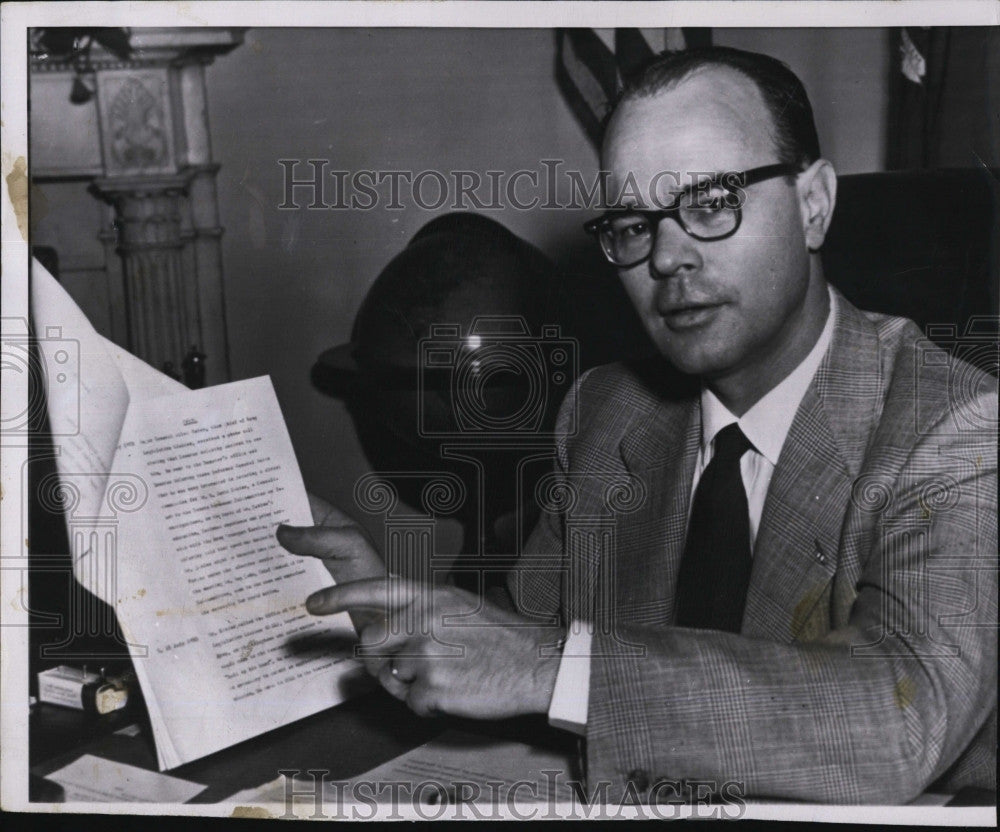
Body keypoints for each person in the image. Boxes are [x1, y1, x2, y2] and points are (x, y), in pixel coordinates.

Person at [277, 47, 997, 804]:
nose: (667, 258)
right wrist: (406, 626)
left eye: (712, 202)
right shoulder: (604, 413)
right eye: (632, 224)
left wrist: (549, 668)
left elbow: (898, 721)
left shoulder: (957, 427)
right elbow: (525, 644)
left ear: (814, 204)